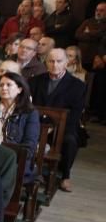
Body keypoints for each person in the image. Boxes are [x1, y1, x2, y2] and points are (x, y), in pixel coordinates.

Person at [30, 48, 85, 192]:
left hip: (63, 126)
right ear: (46, 62)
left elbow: (75, 114)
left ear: (66, 63)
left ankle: (65, 175)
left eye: (59, 61)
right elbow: (29, 106)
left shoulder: (77, 86)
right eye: (51, 61)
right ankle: (29, 170)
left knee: (70, 140)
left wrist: (55, 129)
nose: (55, 64)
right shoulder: (35, 81)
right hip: (37, 124)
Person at [0, 72, 40, 184]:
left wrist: (3, 152)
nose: (4, 88)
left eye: (9, 85)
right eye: (1, 85)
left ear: (20, 89)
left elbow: (29, 147)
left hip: (15, 161)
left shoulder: (30, 113)